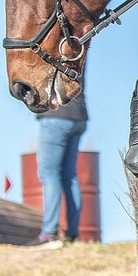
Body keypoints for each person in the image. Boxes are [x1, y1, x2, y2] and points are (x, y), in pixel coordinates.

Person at [36, 89, 87, 243]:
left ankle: (49, 231)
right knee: (69, 176)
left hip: (55, 116)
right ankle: (72, 233)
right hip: (79, 116)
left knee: (49, 173)